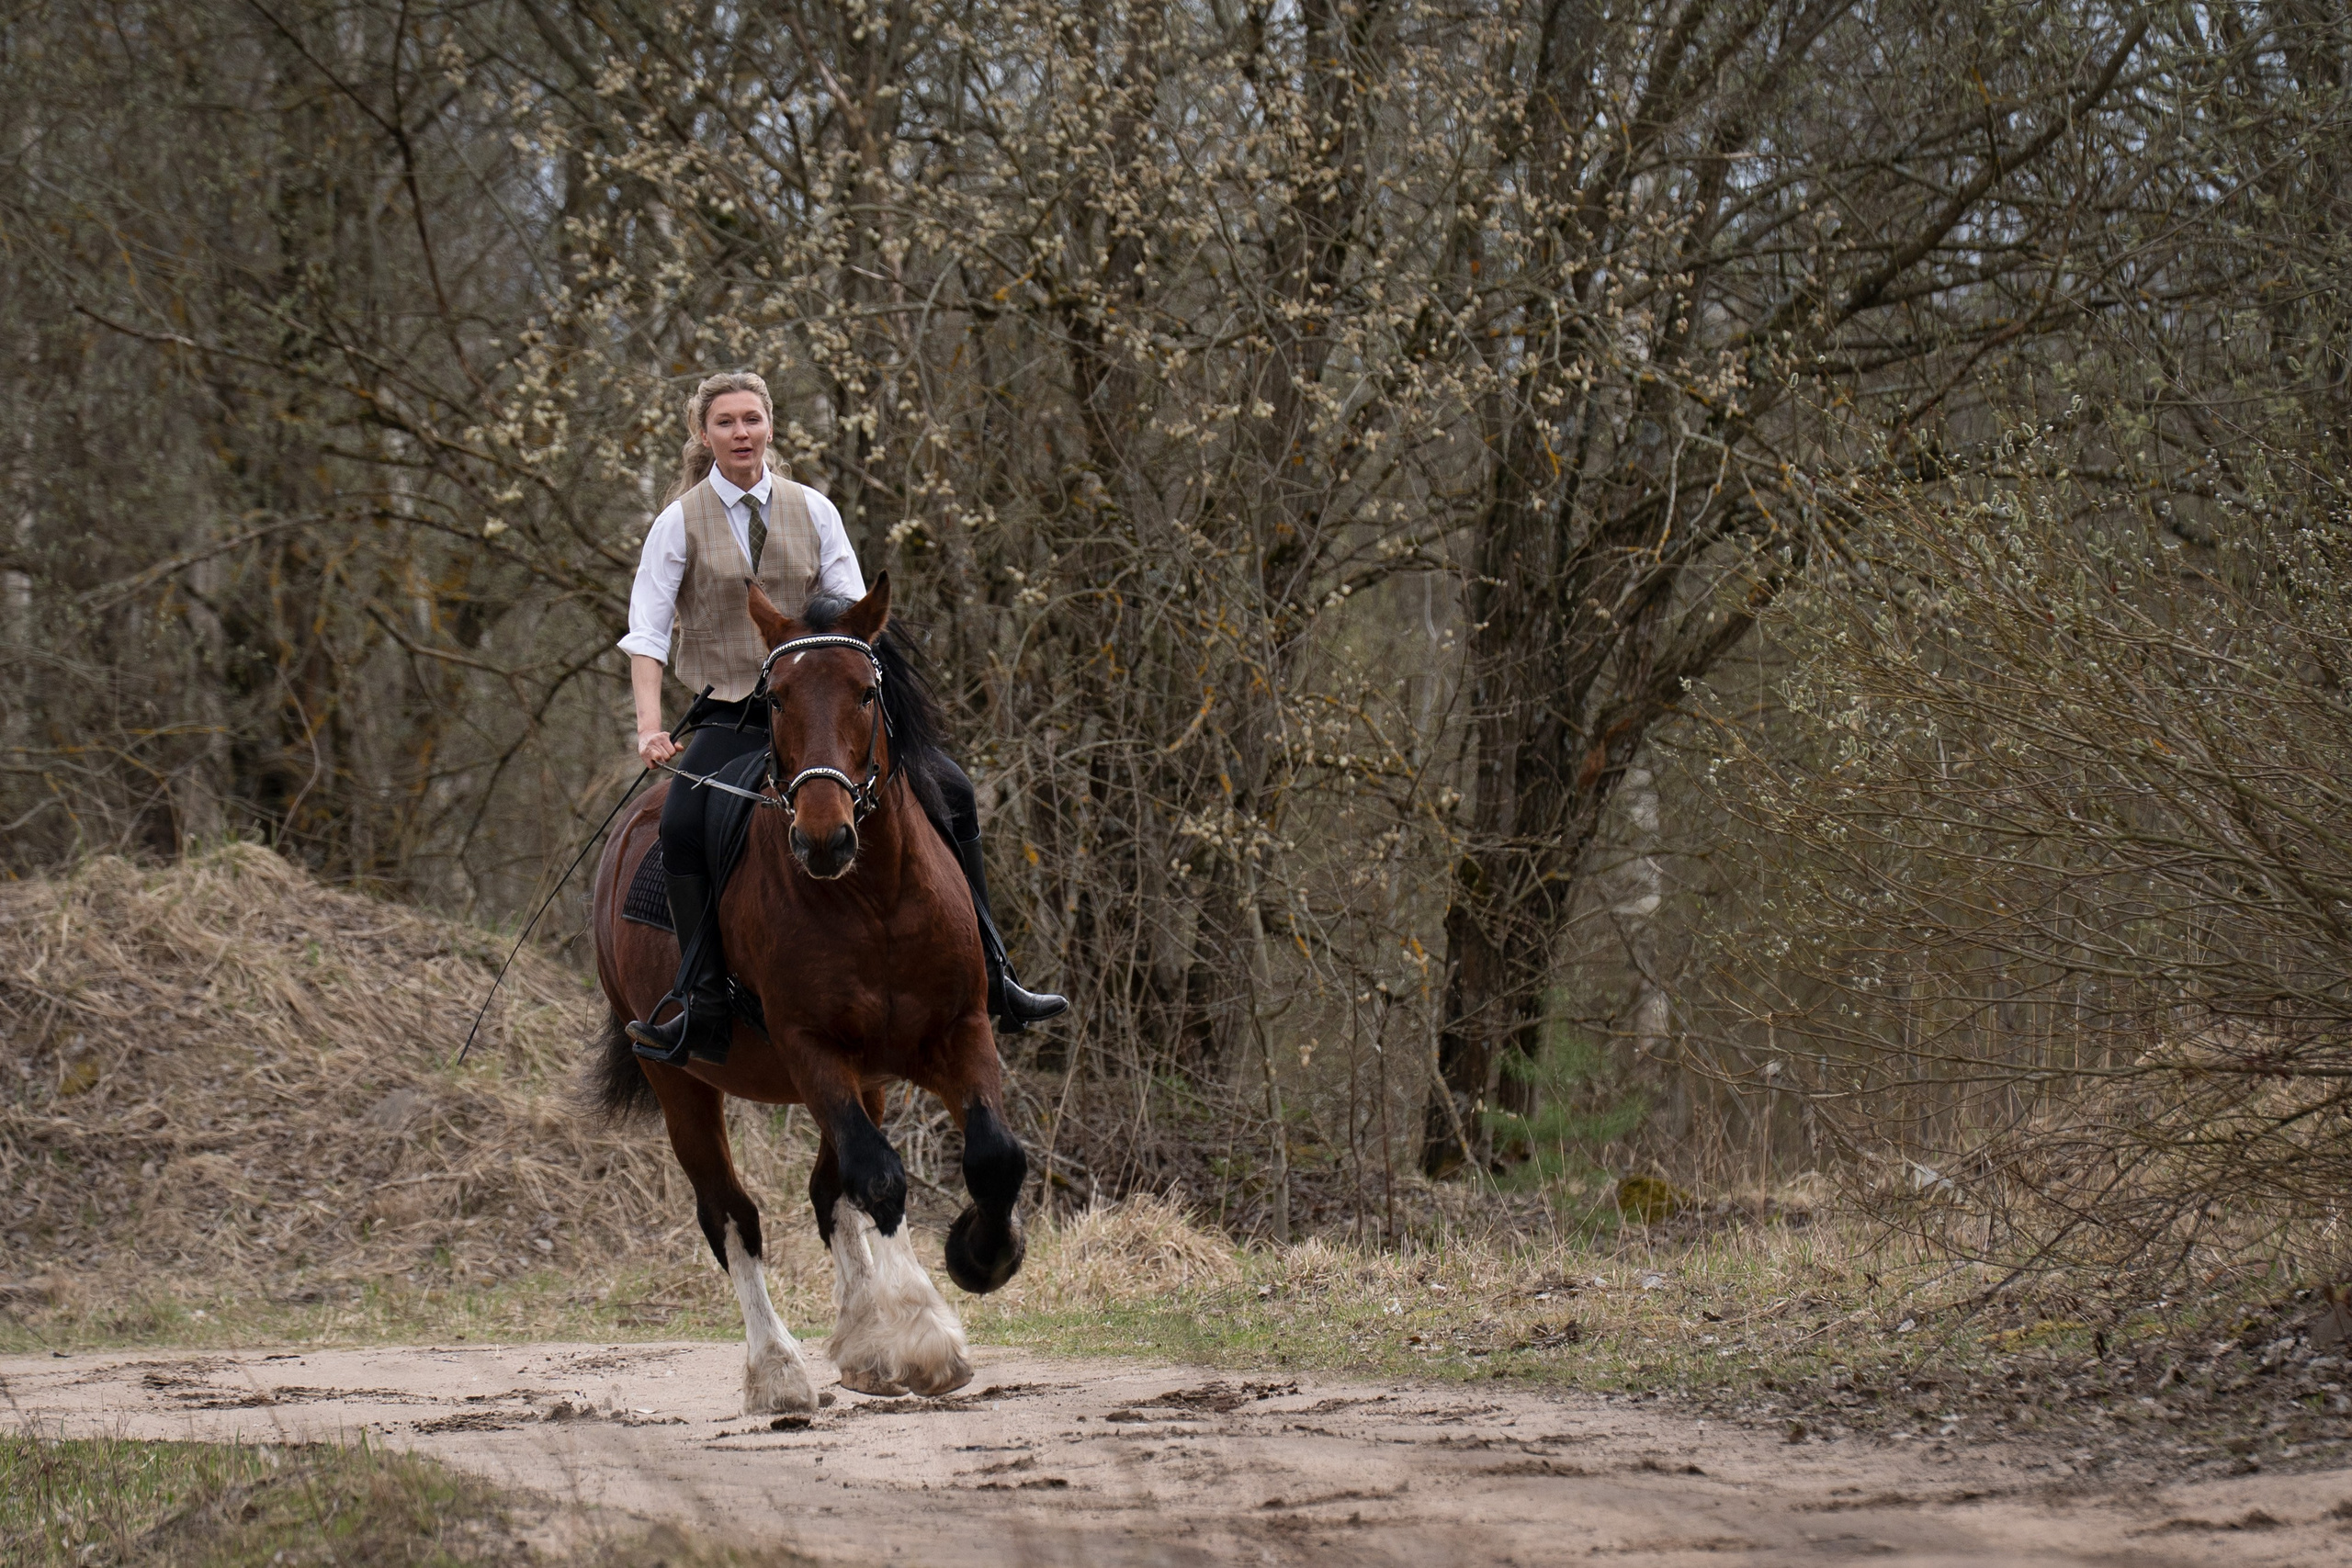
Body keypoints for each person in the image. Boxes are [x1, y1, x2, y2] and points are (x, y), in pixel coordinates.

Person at [617, 369, 1066, 1061]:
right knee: (679, 822)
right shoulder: (677, 523)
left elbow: (856, 617)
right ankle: (701, 1000)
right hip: (735, 713)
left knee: (952, 788)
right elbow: (647, 634)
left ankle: (995, 973)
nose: (741, 432)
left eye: (751, 419)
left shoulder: (815, 509)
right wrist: (650, 725)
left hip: (822, 709)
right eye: (726, 422)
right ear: (704, 436)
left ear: (770, 425)